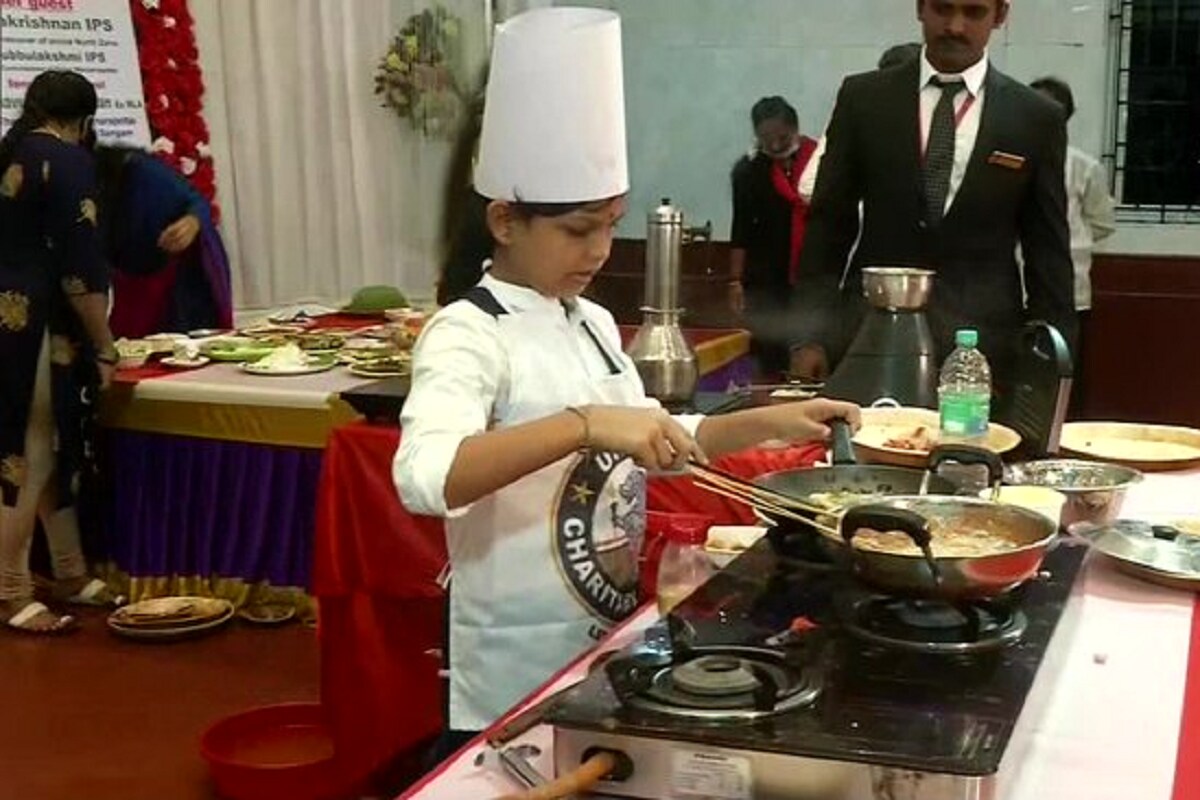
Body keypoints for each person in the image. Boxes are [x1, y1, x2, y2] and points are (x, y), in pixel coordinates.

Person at [394, 7, 860, 754]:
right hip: (514, 662)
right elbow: (427, 478)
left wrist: (775, 420)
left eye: (612, 224)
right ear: (505, 221)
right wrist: (584, 425)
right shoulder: (468, 332)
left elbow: (663, 439)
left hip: (606, 640)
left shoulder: (590, 322)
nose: (601, 250)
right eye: (579, 230)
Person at [789, 0, 1077, 398]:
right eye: (943, 9)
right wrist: (807, 336)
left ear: (1000, 16)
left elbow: (1048, 252)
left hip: (983, 351)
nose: (955, 27)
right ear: (921, 7)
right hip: (866, 338)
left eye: (973, 12)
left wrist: (1050, 363)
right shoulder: (865, 98)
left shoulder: (1034, 117)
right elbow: (828, 226)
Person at [0, 70, 122, 634]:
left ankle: (69, 571)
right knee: (28, 456)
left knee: (53, 448)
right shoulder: (68, 161)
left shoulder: (12, 153)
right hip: (35, 328)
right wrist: (105, 344)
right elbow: (81, 269)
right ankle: (9, 591)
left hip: (13, 319)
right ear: (86, 120)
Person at [1029, 76, 1116, 414]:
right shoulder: (1010, 158)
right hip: (1013, 286)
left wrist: (1068, 245)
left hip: (1070, 292)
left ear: (1063, 115)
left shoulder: (1083, 165)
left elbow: (1102, 222)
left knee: (1063, 375)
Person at [90, 143, 232, 338]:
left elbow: (196, 201)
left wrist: (193, 221)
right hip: (129, 284)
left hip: (179, 280)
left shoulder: (139, 169)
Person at [729, 96, 820, 376]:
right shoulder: (748, 171)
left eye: (781, 137)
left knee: (809, 351)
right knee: (769, 354)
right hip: (766, 281)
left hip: (812, 275)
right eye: (766, 139)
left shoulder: (820, 162)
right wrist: (735, 281)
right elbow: (741, 229)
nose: (776, 145)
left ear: (795, 129)